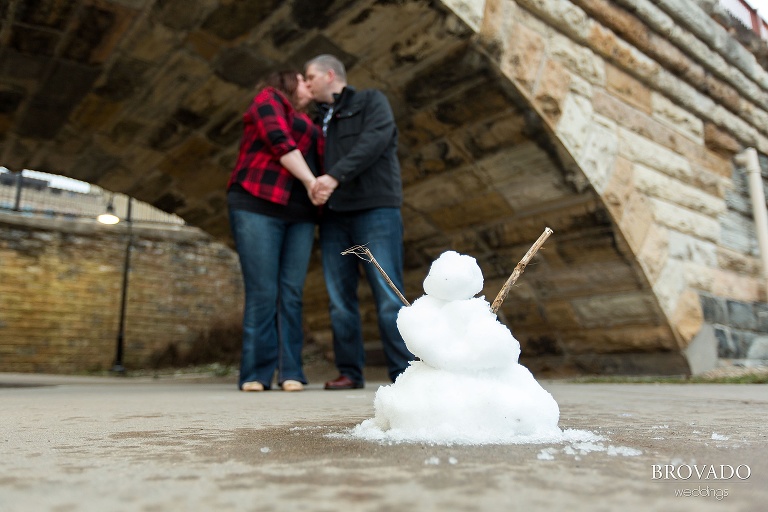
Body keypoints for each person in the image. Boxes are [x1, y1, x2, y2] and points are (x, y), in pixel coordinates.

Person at [304, 54, 414, 390]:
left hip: (374, 209)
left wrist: (333, 177)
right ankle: (350, 372)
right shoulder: (313, 120)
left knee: (388, 295)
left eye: (309, 77)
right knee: (339, 302)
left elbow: (375, 141)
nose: (306, 84)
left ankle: (404, 374)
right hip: (334, 217)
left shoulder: (370, 101)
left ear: (329, 74)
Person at [227, 70, 329, 392]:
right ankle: (255, 374)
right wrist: (312, 182)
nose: (308, 84)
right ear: (287, 82)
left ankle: (290, 372)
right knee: (262, 292)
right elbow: (279, 142)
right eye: (302, 79)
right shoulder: (268, 99)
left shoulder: (310, 121)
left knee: (291, 293)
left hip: (299, 214)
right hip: (257, 203)